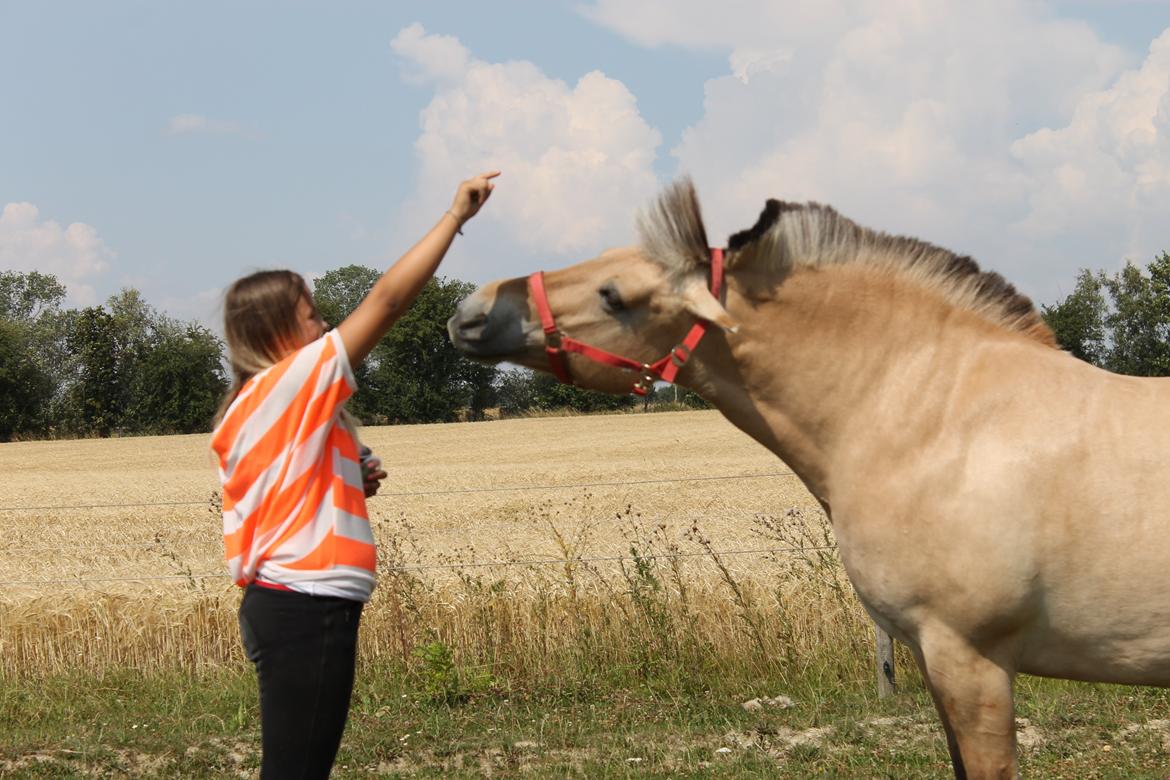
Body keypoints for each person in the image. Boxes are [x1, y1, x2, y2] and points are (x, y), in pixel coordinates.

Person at [210, 170, 499, 778]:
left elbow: (289, 493)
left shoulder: (263, 404)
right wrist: (455, 218)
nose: (323, 327)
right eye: (311, 316)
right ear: (279, 333)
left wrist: (349, 480)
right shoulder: (287, 385)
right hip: (305, 606)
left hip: (295, 605)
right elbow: (388, 300)